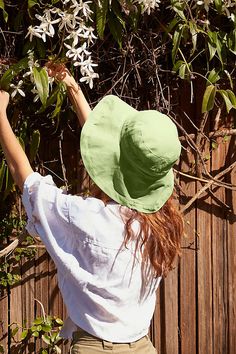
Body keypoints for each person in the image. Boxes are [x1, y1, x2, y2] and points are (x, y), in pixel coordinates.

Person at [0, 64, 183, 354]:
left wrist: (0, 116)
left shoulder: (87, 218)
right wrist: (73, 88)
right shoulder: (164, 222)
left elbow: (26, 179)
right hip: (142, 347)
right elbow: (109, 152)